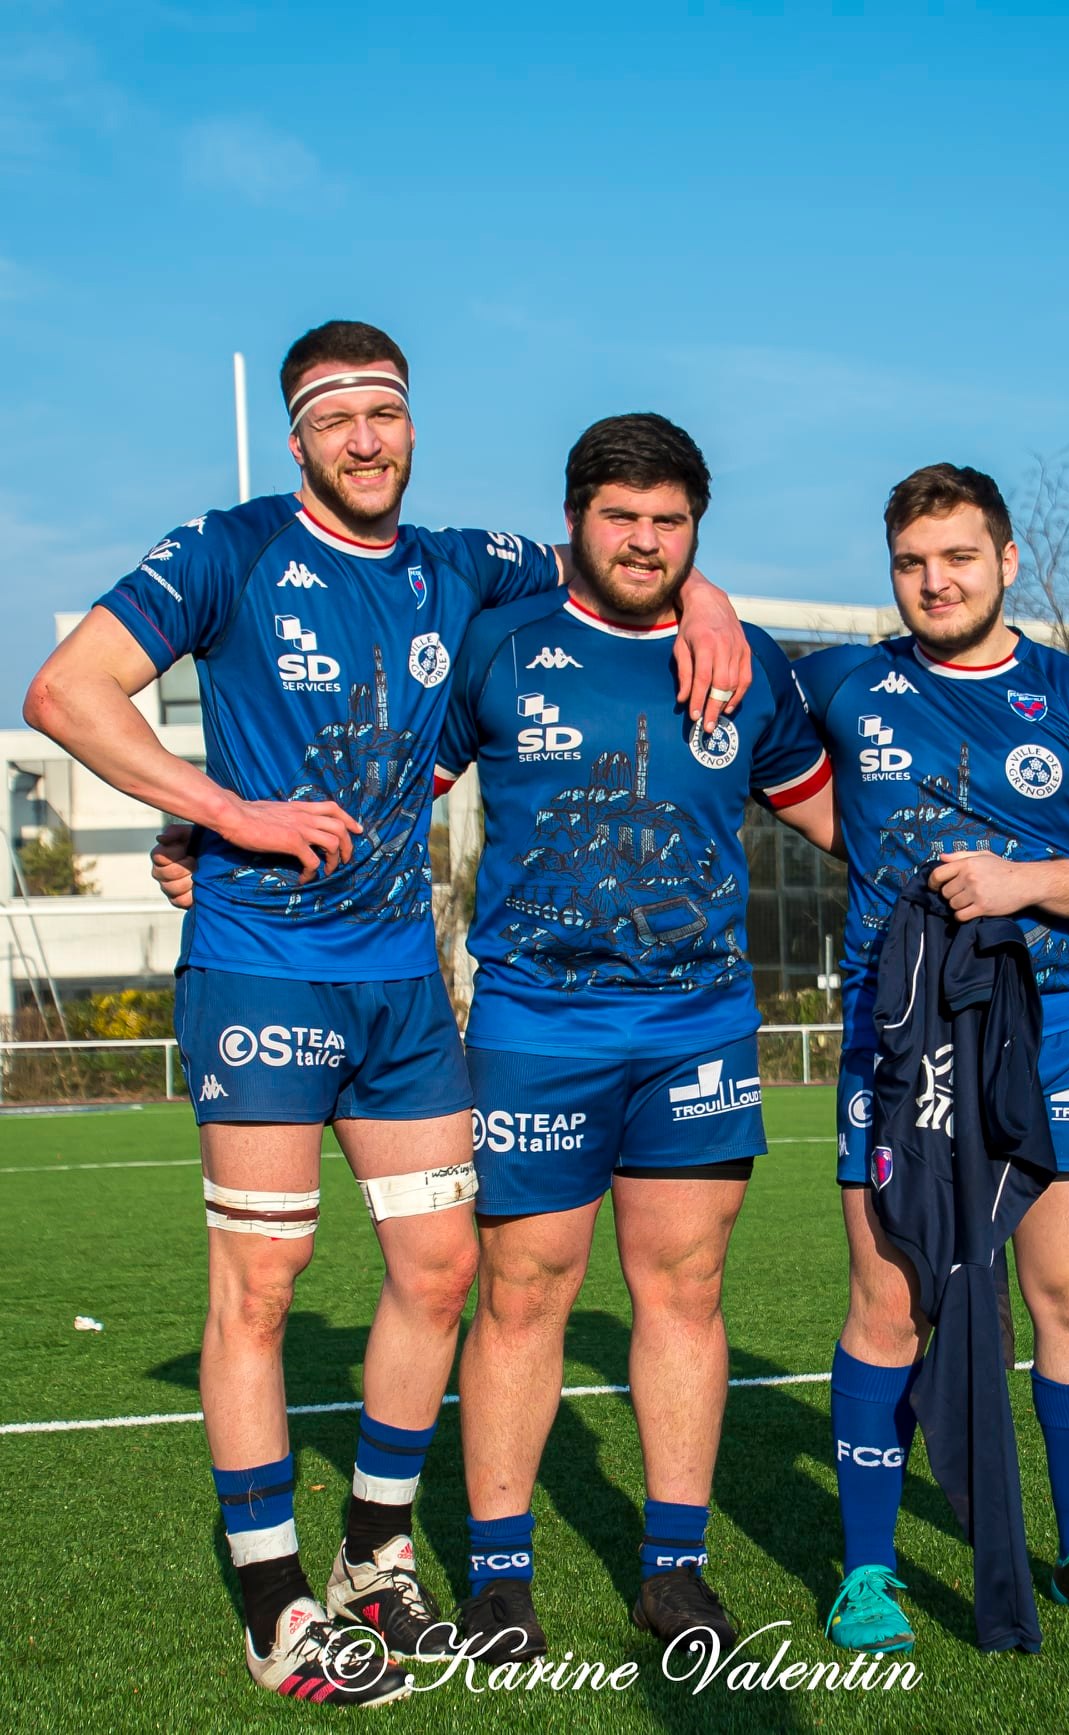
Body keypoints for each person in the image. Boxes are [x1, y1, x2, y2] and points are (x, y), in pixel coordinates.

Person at [22, 323, 747, 1704]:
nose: (366, 436)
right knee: (265, 1281)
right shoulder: (227, 548)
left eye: (387, 412)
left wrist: (702, 599)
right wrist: (217, 810)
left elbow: (625, 553)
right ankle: (273, 1600)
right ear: (298, 438)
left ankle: (373, 1554)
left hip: (406, 980)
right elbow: (64, 690)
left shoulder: (461, 564)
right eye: (336, 415)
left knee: (438, 1271)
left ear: (414, 427)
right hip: (262, 967)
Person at [432, 413, 836, 1661]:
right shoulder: (497, 642)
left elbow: (838, 820)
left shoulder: (746, 661)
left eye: (670, 523)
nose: (645, 541)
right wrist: (219, 840)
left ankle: (674, 1570)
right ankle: (500, 1577)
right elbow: (392, 790)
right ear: (573, 517)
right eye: (622, 517)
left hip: (696, 1024)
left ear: (696, 529)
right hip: (535, 1023)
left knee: (683, 1290)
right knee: (520, 1292)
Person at [794, 463, 1069, 1653]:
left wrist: (1029, 883)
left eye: (957, 557)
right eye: (911, 562)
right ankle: (866, 1572)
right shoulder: (844, 681)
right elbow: (745, 735)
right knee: (890, 1301)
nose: (934, 581)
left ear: (1005, 561)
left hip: (1053, 1025)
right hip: (899, 1038)